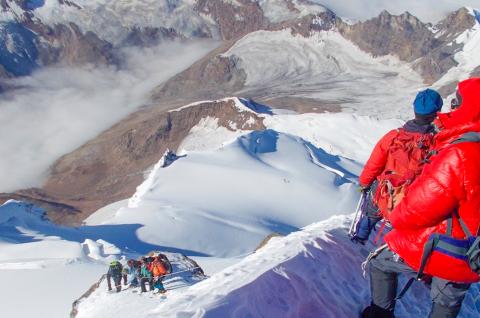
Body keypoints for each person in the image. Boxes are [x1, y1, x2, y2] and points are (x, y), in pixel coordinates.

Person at [363, 78, 480, 318]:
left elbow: (417, 209)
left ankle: (379, 314)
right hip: (473, 252)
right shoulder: (451, 143)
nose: (452, 109)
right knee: (447, 303)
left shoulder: (460, 152)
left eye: (456, 103)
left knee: (380, 263)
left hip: (446, 245)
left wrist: (393, 212)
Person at [351, 89, 443, 243]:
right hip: (411, 197)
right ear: (437, 112)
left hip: (384, 190)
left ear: (414, 110)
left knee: (371, 212)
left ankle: (359, 239)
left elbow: (375, 162)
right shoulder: (437, 141)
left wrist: (364, 183)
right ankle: (395, 250)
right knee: (403, 226)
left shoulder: (394, 136)